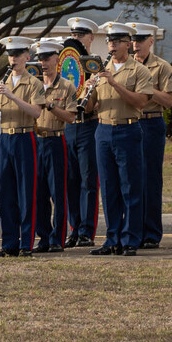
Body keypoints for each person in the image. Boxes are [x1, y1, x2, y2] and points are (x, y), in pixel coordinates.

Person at [83, 22, 153, 256]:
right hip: (103, 130)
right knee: (109, 188)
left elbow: (140, 102)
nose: (111, 45)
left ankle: (130, 239)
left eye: (116, 41)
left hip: (127, 129)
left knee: (130, 187)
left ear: (128, 44)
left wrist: (114, 82)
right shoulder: (100, 71)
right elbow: (89, 108)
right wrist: (88, 90)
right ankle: (112, 238)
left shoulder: (139, 70)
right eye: (109, 41)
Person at [0, 35, 45, 257]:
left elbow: (36, 112)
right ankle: (9, 242)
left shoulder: (34, 83)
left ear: (27, 57)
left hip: (25, 137)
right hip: (5, 139)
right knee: (6, 192)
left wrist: (11, 96)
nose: (13, 59)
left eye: (17, 55)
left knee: (26, 192)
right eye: (10, 55)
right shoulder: (2, 84)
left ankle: (26, 243)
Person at [130, 22, 172, 249]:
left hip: (150, 122)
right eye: (133, 40)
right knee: (130, 179)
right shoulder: (124, 65)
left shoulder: (162, 66)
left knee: (150, 179)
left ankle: (151, 232)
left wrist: (147, 87)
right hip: (129, 122)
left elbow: (169, 101)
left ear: (150, 41)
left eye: (140, 40)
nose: (135, 45)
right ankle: (132, 231)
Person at [34, 37, 77, 252]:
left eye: (47, 58)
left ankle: (57, 238)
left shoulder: (66, 86)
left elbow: (70, 117)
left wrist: (50, 106)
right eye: (40, 58)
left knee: (58, 192)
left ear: (56, 59)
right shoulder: (33, 85)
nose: (43, 63)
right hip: (35, 141)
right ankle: (43, 237)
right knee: (38, 193)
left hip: (55, 140)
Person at [62, 16, 101, 248]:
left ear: (91, 38)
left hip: (88, 124)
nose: (76, 38)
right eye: (74, 34)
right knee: (71, 180)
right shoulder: (65, 63)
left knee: (88, 180)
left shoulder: (95, 66)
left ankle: (86, 230)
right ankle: (74, 228)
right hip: (69, 125)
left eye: (81, 34)